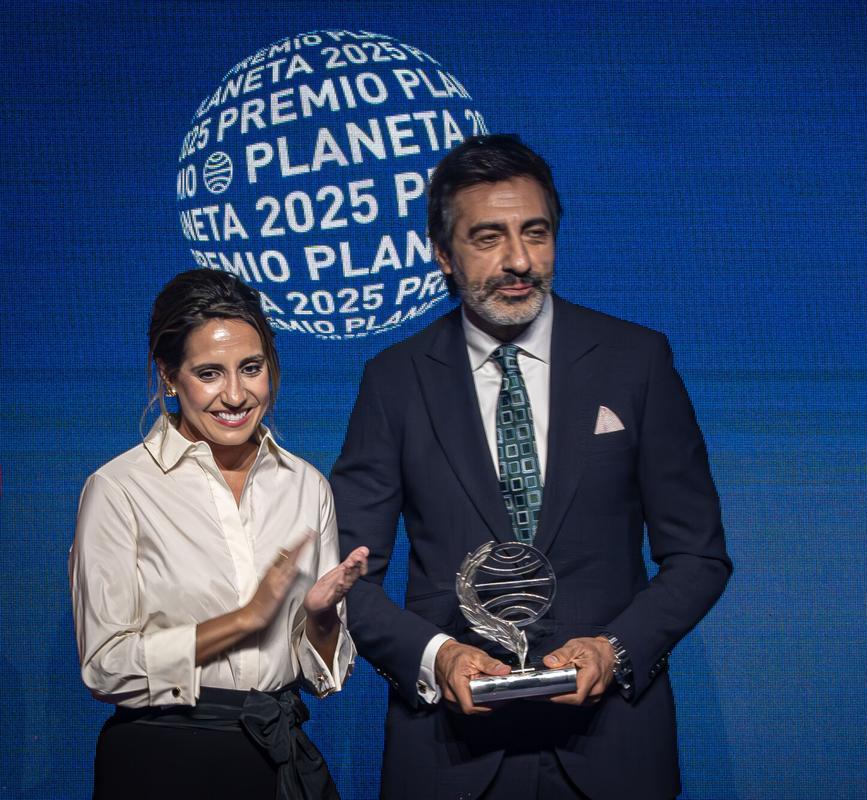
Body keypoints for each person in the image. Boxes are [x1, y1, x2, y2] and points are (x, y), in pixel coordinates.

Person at [332, 135, 731, 799]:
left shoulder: (637, 362)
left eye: (535, 233)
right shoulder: (394, 382)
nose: (518, 260)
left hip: (613, 753)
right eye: (488, 237)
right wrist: (439, 657)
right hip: (452, 758)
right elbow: (346, 576)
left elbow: (699, 557)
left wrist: (615, 648)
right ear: (443, 255)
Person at [70, 269, 369, 800]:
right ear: (169, 376)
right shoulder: (119, 489)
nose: (235, 395)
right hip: (160, 761)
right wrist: (243, 621)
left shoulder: (306, 486)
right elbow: (105, 666)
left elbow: (321, 674)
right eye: (209, 373)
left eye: (251, 369)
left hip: (273, 755)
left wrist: (322, 618)